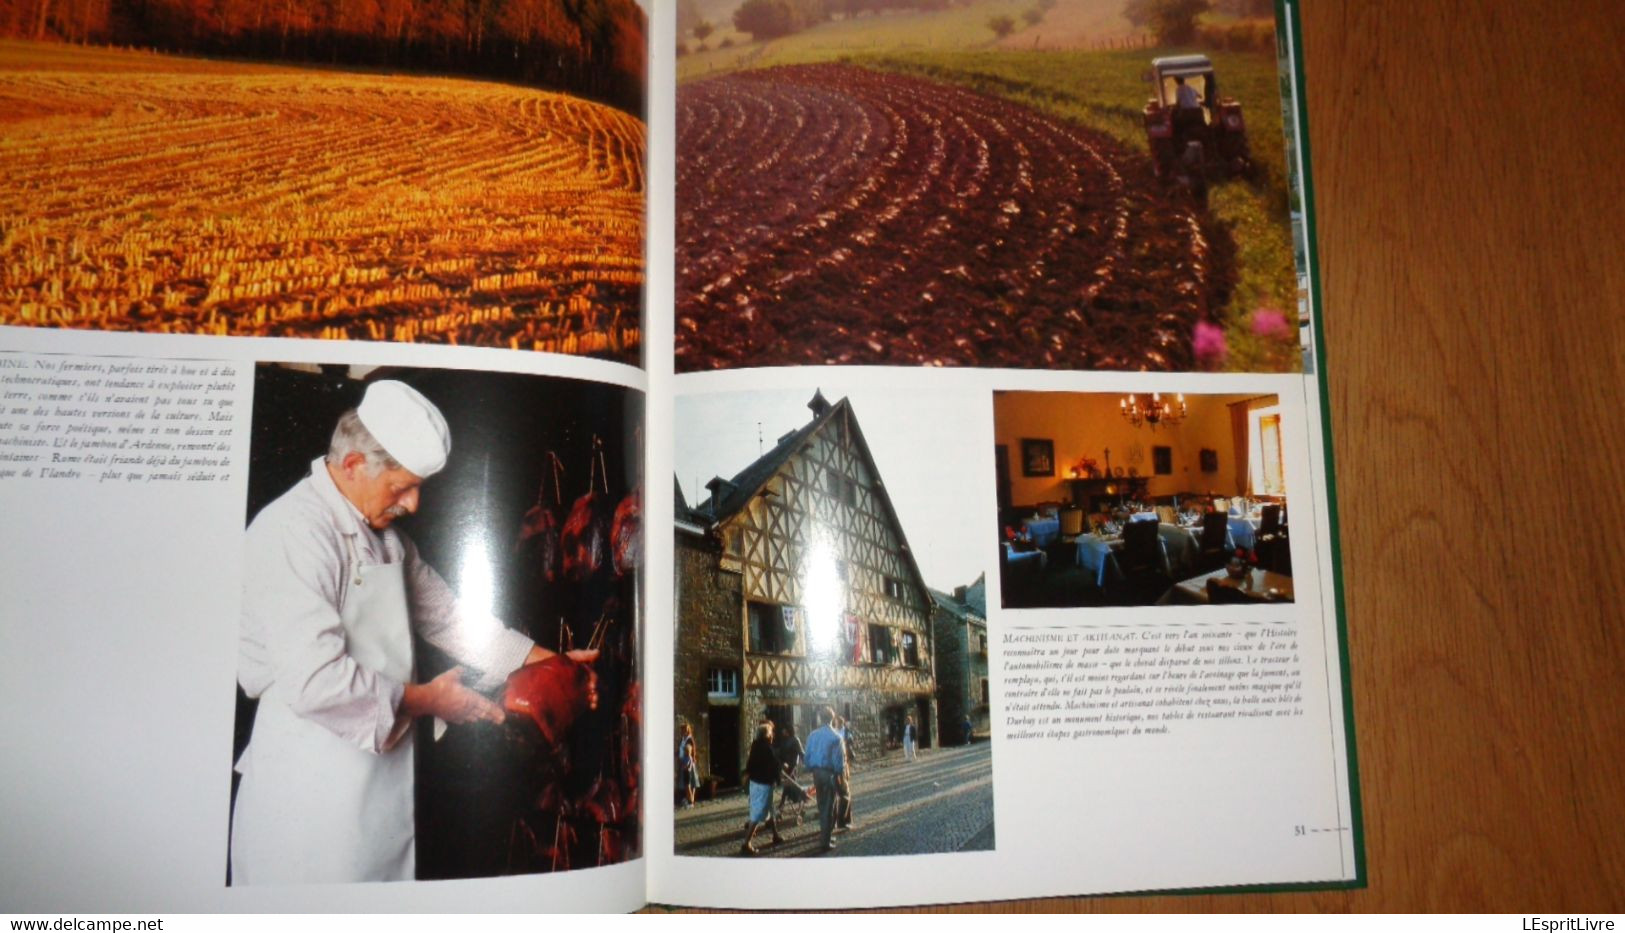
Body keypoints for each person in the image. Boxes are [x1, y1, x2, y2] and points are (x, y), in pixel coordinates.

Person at [231, 380, 597, 885]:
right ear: (354, 464)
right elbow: (315, 680)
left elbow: (452, 620)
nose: (414, 504)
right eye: (402, 486)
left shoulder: (390, 545)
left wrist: (552, 664)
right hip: (305, 799)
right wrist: (430, 701)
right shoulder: (294, 532)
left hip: (376, 796)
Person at [803, 707, 845, 852]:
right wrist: (839, 775)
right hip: (829, 773)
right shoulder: (836, 736)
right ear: (833, 719)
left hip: (817, 773)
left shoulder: (812, 735)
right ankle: (825, 841)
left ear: (820, 718)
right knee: (829, 806)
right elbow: (839, 761)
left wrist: (811, 769)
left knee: (822, 805)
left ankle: (826, 835)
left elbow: (806, 756)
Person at [741, 722, 783, 855]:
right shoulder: (767, 749)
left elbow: (750, 765)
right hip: (764, 784)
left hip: (755, 782)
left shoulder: (755, 746)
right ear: (767, 735)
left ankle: (775, 835)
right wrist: (779, 778)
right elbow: (775, 766)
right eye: (771, 733)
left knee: (770, 808)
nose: (772, 736)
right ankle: (746, 843)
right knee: (758, 813)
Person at [774, 721, 805, 821]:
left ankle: (781, 807)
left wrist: (806, 764)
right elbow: (780, 752)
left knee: (788, 786)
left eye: (784, 729)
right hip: (784, 768)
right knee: (788, 787)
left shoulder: (795, 740)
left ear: (787, 730)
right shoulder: (784, 740)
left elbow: (801, 753)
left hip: (792, 767)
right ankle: (799, 802)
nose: (782, 731)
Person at [677, 722, 699, 809]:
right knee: (685, 783)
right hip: (682, 762)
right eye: (683, 730)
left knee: (691, 782)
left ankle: (691, 800)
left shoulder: (690, 739)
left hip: (688, 762)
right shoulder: (682, 739)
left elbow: (693, 750)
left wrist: (692, 759)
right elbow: (680, 749)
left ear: (688, 730)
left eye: (686, 730)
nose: (684, 731)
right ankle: (688, 799)